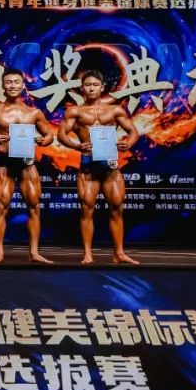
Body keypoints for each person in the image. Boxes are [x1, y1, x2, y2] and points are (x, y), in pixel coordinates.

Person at [57, 70, 140, 264]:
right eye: (88, 85)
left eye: (95, 85)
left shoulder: (115, 110)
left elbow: (133, 131)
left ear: (102, 87)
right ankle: (87, 254)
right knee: (87, 209)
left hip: (110, 165)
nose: (92, 88)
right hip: (88, 165)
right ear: (82, 88)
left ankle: (119, 253)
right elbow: (61, 134)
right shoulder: (75, 112)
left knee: (117, 208)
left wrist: (128, 144)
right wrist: (76, 146)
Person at [0, 67, 55, 264]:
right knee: (1, 207)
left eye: (16, 82)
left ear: (23, 85)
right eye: (9, 82)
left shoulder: (34, 113)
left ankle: (34, 252)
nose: (12, 86)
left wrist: (43, 141)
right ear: (3, 86)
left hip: (27, 163)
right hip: (6, 163)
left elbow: (49, 135)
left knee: (34, 206)